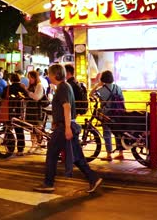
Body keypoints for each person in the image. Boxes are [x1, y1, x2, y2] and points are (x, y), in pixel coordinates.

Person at [33, 64, 102, 193]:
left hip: (64, 127)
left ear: (55, 75)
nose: (48, 76)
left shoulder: (63, 88)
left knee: (52, 154)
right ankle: (93, 177)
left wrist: (67, 128)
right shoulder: (64, 86)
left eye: (49, 74)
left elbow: (66, 107)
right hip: (64, 125)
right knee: (77, 156)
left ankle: (48, 183)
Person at [90, 70, 125, 161]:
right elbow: (123, 101)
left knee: (107, 133)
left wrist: (98, 85)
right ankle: (121, 153)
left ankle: (109, 155)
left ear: (103, 79)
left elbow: (91, 94)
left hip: (106, 114)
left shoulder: (101, 90)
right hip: (118, 114)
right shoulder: (117, 88)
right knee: (118, 133)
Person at [2, 73, 29, 156]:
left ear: (11, 80)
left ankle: (9, 147)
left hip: (9, 111)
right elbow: (27, 97)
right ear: (19, 79)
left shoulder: (8, 88)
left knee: (8, 128)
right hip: (19, 111)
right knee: (19, 130)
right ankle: (20, 149)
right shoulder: (22, 87)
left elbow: (2, 97)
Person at [26, 70, 45, 153]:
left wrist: (28, 92)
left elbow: (37, 97)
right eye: (29, 78)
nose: (30, 80)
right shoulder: (31, 86)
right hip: (30, 109)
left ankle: (39, 144)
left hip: (37, 109)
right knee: (31, 127)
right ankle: (33, 144)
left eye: (31, 78)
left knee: (37, 127)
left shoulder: (39, 85)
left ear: (35, 78)